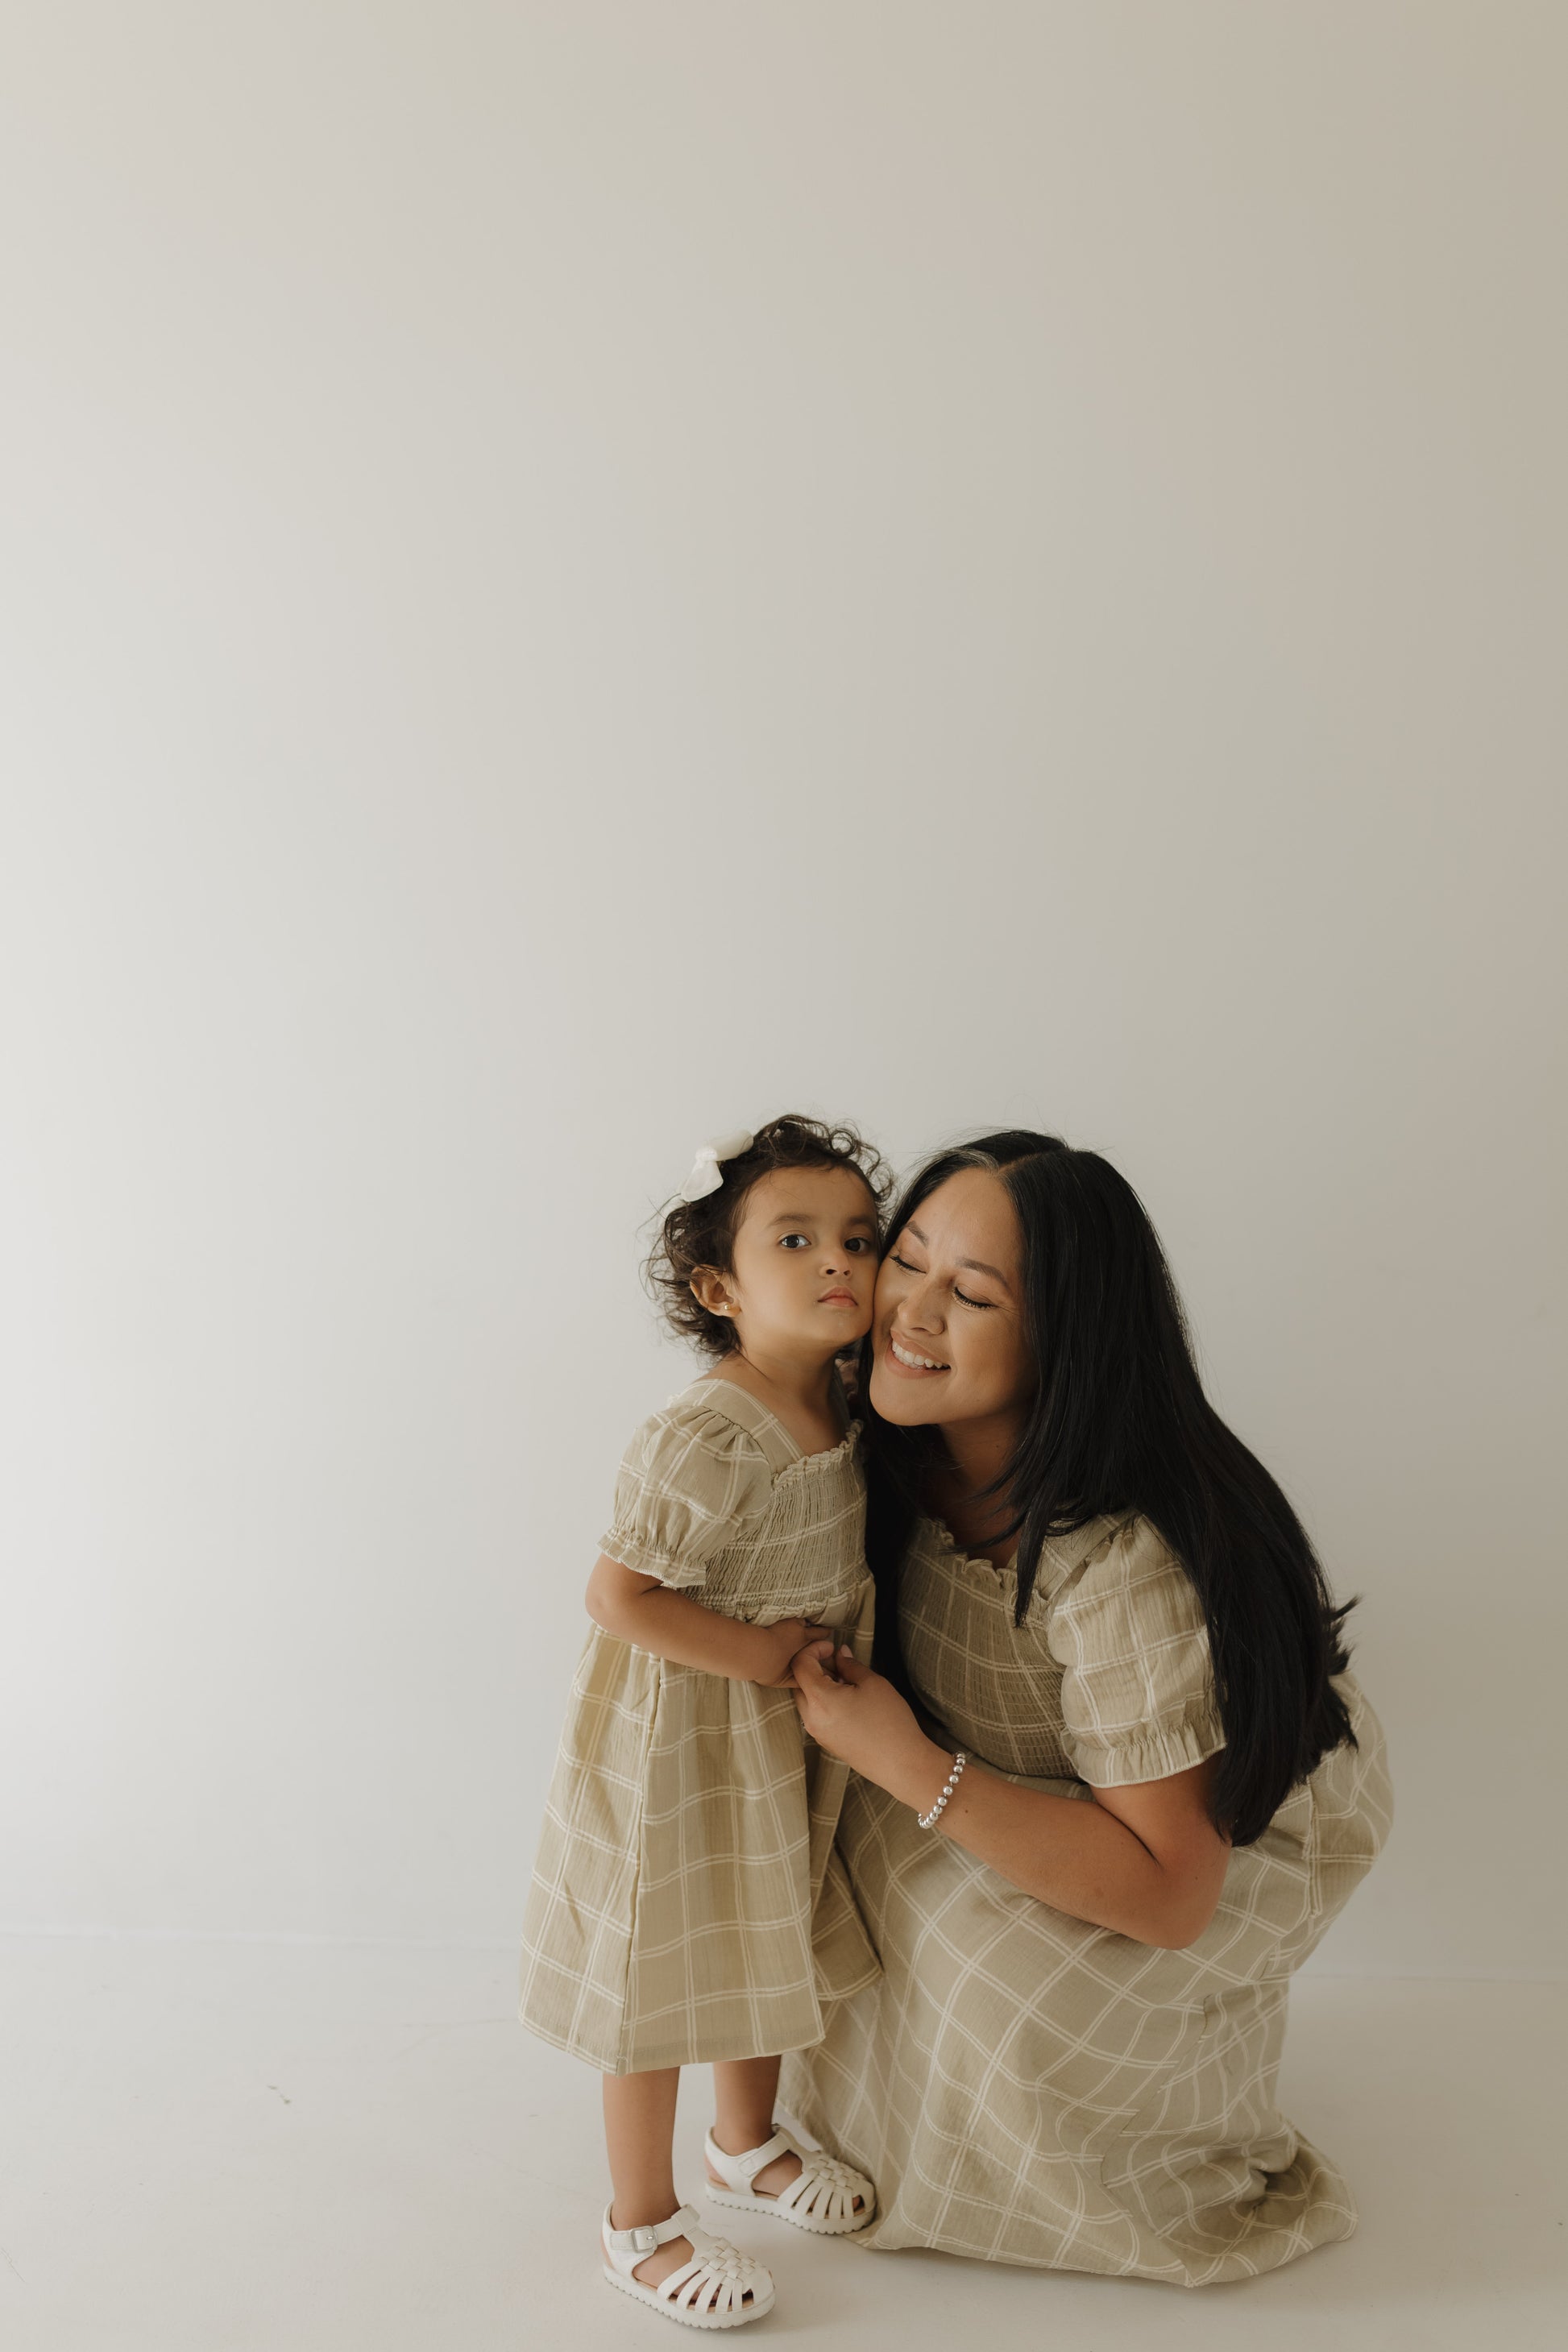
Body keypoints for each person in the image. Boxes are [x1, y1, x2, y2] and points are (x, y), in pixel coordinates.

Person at [784, 1130, 1393, 2288]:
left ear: (1066, 1338)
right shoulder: (887, 1452)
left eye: (969, 1293)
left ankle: (1139, 2156)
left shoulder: (1123, 1564)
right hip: (1015, 1778)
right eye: (902, 1260)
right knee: (820, 1865)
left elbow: (1169, 1892)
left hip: (1194, 1842)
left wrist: (910, 1768)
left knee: (986, 1975)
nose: (909, 1311)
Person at [520, 1115, 886, 2329]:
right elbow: (619, 1597)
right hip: (679, 1739)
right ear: (720, 1288)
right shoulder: (707, 1434)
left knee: (763, 1928)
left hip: (768, 1736)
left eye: (857, 1237)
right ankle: (639, 2221)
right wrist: (768, 1653)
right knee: (661, 1966)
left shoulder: (840, 1403)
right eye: (795, 1241)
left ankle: (745, 2144)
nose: (838, 1261)